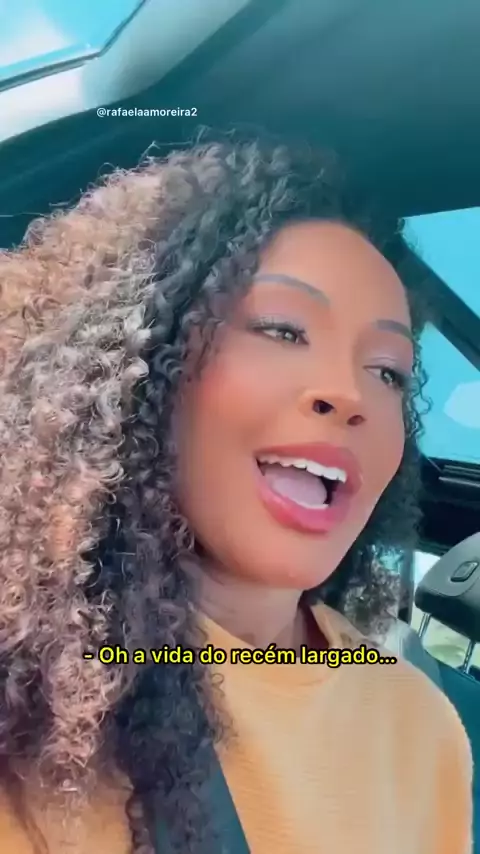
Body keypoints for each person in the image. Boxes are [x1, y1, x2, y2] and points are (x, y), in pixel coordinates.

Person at [0, 137, 472, 854]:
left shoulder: (419, 724)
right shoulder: (29, 707)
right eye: (282, 330)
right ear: (136, 362)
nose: (349, 394)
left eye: (388, 372)